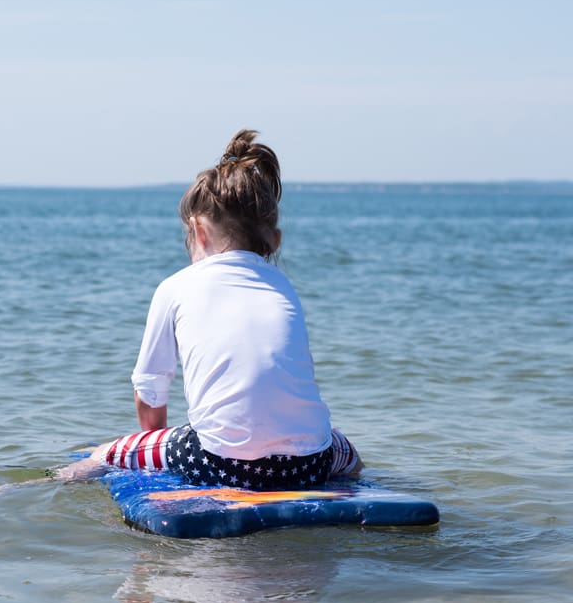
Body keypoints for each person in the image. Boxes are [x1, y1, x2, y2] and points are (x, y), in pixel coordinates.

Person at [56, 129, 362, 490]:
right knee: (347, 452)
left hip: (219, 464)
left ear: (198, 230)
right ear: (274, 240)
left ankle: (38, 485)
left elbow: (149, 389)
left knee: (106, 453)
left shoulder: (175, 286)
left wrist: (158, 450)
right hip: (309, 465)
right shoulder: (282, 286)